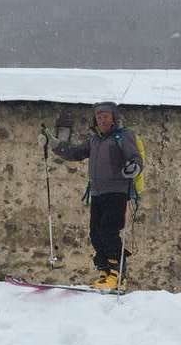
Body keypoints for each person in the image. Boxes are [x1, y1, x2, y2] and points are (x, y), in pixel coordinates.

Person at [38, 102, 143, 291]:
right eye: (99, 116)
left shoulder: (123, 136)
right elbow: (75, 152)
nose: (102, 119)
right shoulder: (94, 140)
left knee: (109, 231)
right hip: (97, 192)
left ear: (114, 118)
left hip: (117, 191)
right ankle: (104, 273)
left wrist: (134, 166)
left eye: (106, 115)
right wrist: (53, 143)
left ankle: (118, 275)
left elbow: (135, 157)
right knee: (95, 233)